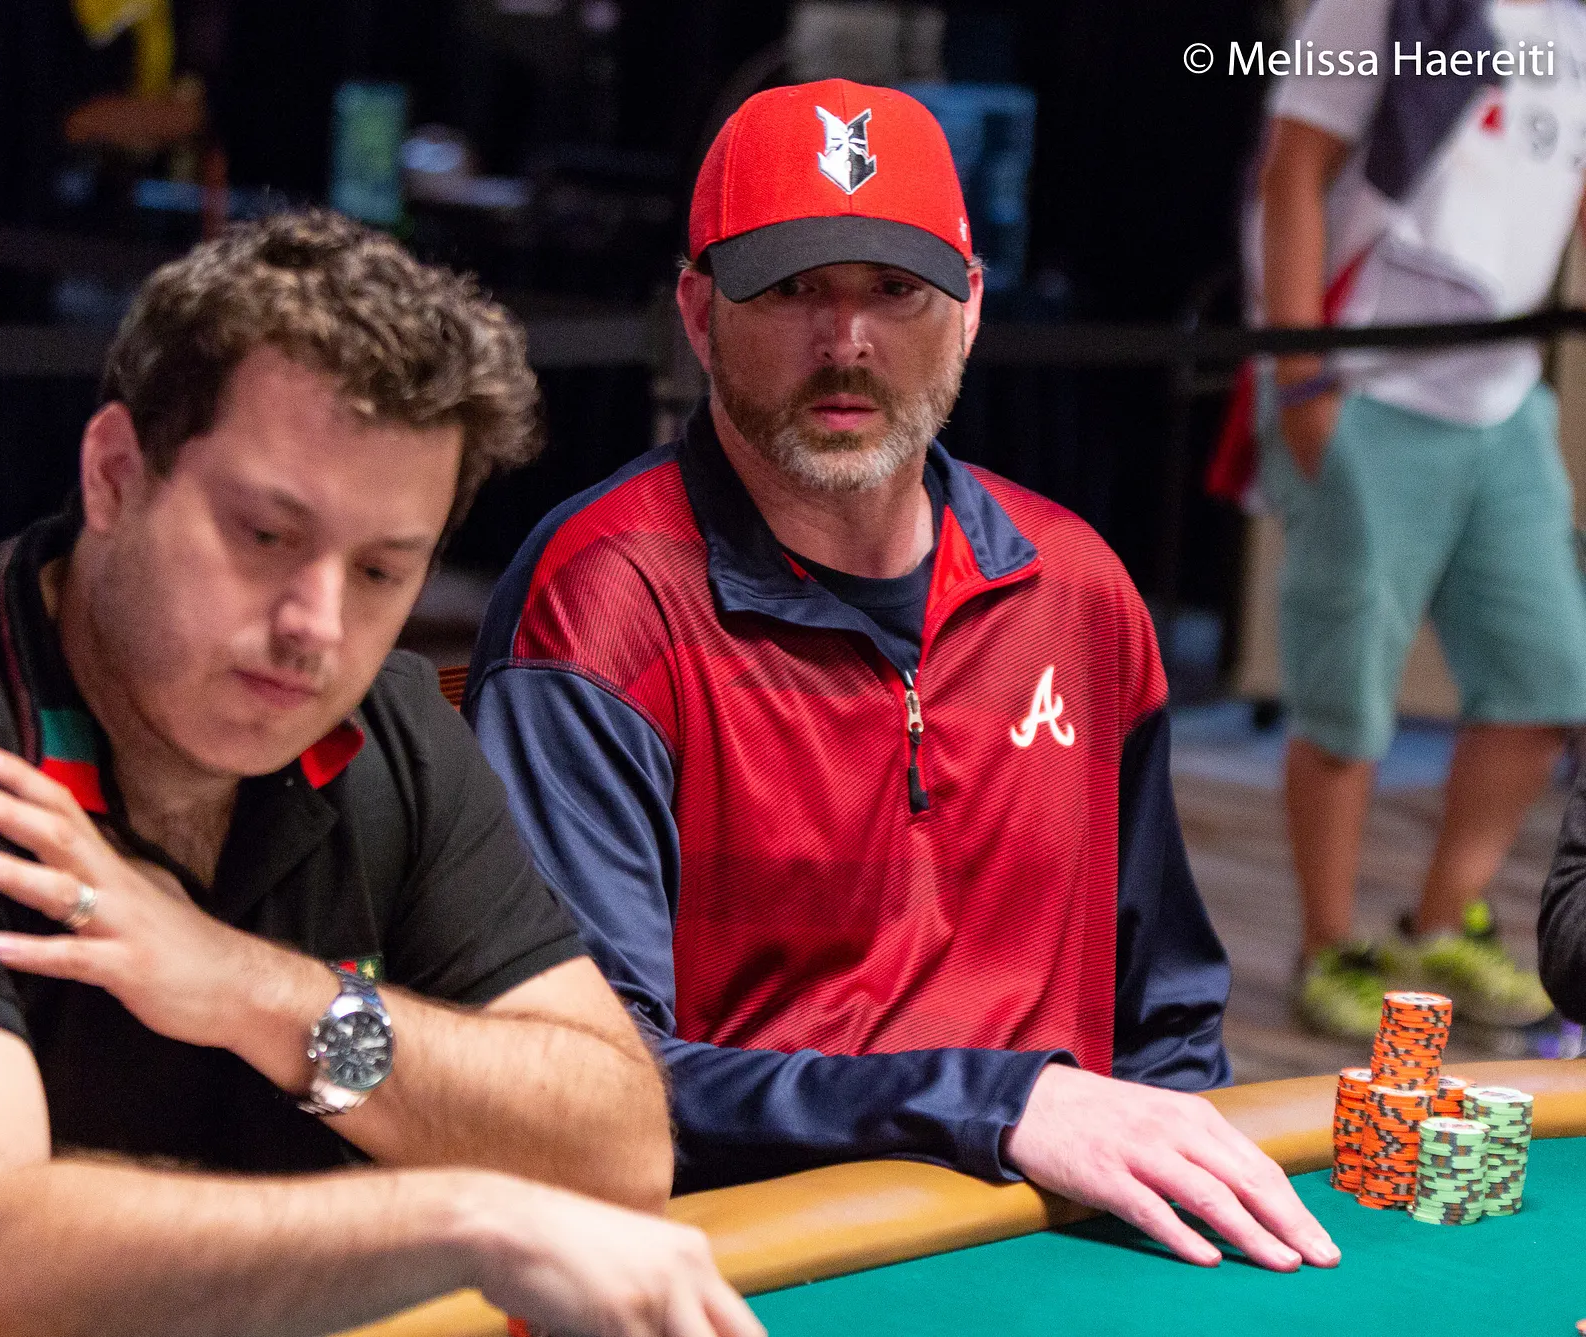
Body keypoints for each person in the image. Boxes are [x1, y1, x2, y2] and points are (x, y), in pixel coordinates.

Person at [467, 79, 1340, 1274]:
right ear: (698, 312)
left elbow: (1166, 1023)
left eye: (895, 290)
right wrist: (994, 1102)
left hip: (1060, 1245)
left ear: (969, 309)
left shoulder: (1078, 591)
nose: (847, 343)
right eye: (791, 290)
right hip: (756, 1261)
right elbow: (589, 1081)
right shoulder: (599, 604)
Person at [0, 211, 761, 1337]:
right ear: (114, 475)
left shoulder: (389, 727)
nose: (317, 624)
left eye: (382, 569)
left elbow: (619, 1147)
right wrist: (465, 1217)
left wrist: (261, 995)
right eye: (264, 535)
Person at [1252, 0, 1586, 1040]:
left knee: (1547, 680)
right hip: (1366, 385)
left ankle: (1442, 920)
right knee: (1345, 695)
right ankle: (1326, 946)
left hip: (1505, 397)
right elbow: (1293, 169)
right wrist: (1302, 377)